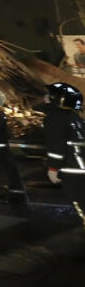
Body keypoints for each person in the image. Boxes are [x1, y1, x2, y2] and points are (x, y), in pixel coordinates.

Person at [45, 84, 85, 227]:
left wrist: (53, 168)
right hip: (80, 167)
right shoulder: (76, 118)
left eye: (50, 95)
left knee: (79, 201)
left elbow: (56, 145)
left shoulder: (55, 118)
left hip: (73, 169)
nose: (46, 97)